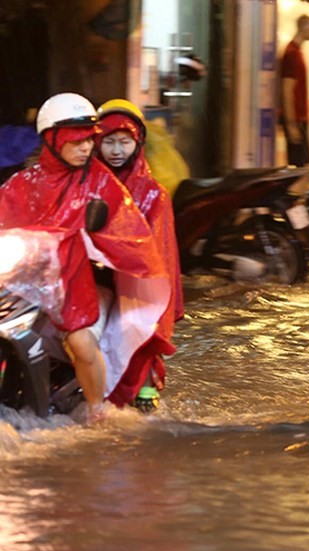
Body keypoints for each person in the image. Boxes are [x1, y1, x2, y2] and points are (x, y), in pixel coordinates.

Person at [0, 92, 170, 421]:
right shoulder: (22, 183)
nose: (86, 148)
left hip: (81, 285)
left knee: (80, 344)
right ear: (52, 140)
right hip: (28, 284)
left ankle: (97, 412)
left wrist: (94, 244)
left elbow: (129, 236)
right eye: (77, 142)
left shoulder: (101, 184)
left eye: (89, 141)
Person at [96, 98, 184, 412]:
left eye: (125, 141)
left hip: (139, 279)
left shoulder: (153, 193)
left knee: (140, 322)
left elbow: (159, 250)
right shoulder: (86, 183)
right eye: (108, 141)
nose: (117, 150)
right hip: (94, 272)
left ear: (138, 143)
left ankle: (145, 384)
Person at [279, 14, 309, 167]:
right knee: (300, 165)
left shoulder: (297, 52)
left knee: (305, 163)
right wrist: (291, 124)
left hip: (301, 118)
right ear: (304, 27)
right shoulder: (291, 53)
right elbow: (287, 89)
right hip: (296, 119)